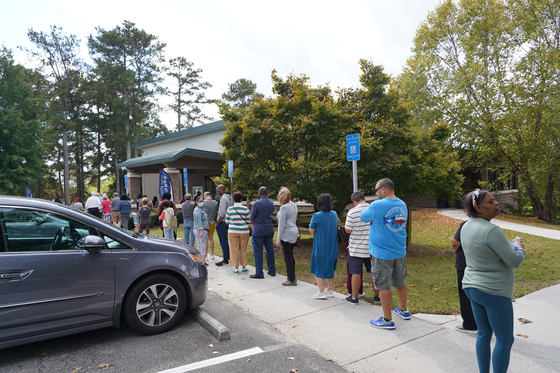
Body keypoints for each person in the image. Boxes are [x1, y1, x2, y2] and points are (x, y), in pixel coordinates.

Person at [461, 189, 526, 373]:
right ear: (479, 209)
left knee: (483, 334)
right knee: (505, 339)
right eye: (490, 202)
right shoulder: (492, 230)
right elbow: (514, 260)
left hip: (472, 288)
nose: (496, 203)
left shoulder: (467, 225)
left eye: (494, 200)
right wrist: (519, 248)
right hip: (493, 291)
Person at [360, 178, 409, 330]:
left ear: (383, 189)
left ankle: (387, 320)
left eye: (376, 190)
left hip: (382, 253)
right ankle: (403, 310)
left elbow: (363, 217)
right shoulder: (402, 204)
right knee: (400, 281)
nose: (375, 194)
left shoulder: (377, 205)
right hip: (400, 250)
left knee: (383, 285)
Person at [345, 192, 379, 305]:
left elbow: (348, 230)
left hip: (356, 248)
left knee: (356, 273)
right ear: (364, 199)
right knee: (374, 272)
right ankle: (377, 296)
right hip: (372, 248)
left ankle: (354, 297)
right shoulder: (373, 210)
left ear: (354, 201)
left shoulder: (352, 212)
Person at [309, 193, 338, 298]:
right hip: (333, 245)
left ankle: (321, 291)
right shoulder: (334, 214)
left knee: (318, 267)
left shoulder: (316, 215)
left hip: (320, 245)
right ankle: (330, 290)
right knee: (331, 267)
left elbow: (312, 230)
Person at [452, 221, 477, 334]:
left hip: (464, 264)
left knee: (465, 294)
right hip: (479, 265)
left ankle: (470, 324)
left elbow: (456, 242)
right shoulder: (486, 225)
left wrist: (455, 250)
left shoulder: (465, 225)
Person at [250, 186, 276, 279]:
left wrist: (254, 224)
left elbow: (252, 217)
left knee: (258, 251)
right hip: (269, 229)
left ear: (259, 193)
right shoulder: (271, 203)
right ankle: (272, 270)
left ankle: (259, 272)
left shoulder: (256, 203)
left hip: (259, 230)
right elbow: (271, 214)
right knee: (270, 250)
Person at [275, 187, 299, 286]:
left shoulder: (283, 208)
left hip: (287, 233)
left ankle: (291, 278)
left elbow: (282, 225)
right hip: (294, 231)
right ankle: (292, 276)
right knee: (290, 256)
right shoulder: (294, 205)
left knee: (287, 257)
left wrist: (278, 239)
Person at [225, 191, 250, 274]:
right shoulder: (245, 209)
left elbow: (227, 221)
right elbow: (248, 220)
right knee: (243, 249)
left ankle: (236, 268)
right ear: (241, 199)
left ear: (233, 200)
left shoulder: (230, 209)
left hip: (233, 231)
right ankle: (244, 267)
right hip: (244, 231)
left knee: (234, 249)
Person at [215, 185, 232, 266]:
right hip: (229, 221)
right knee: (227, 241)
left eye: (218, 191)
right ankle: (228, 256)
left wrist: (218, 222)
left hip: (222, 222)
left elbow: (222, 213)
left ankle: (225, 259)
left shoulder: (223, 199)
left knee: (223, 241)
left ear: (222, 190)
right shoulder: (229, 198)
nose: (217, 192)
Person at [193, 195, 210, 264]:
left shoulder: (202, 209)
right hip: (201, 230)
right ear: (196, 202)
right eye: (200, 201)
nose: (201, 202)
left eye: (202, 201)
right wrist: (201, 231)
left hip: (203, 229)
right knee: (202, 247)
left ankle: (200, 262)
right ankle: (202, 263)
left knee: (200, 246)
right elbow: (198, 222)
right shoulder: (197, 210)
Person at [204, 192, 219, 260]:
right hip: (212, 222)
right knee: (211, 238)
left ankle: (206, 255)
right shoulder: (215, 203)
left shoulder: (203, 203)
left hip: (205, 222)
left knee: (205, 239)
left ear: (205, 196)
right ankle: (212, 254)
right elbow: (216, 212)